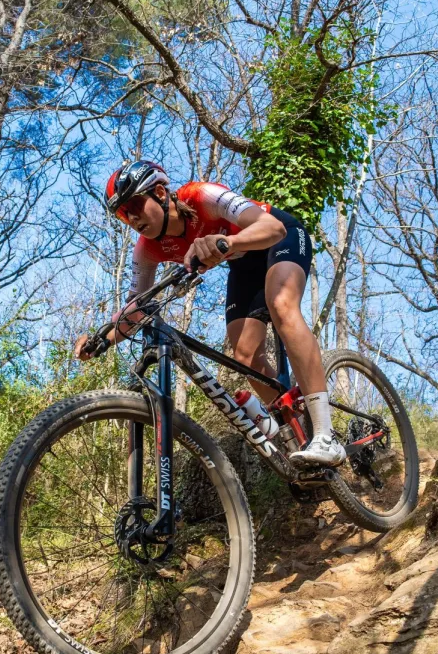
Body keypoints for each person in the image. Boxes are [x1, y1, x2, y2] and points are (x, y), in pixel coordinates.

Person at [74, 160, 345, 466]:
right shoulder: (146, 249)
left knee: (281, 305)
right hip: (243, 263)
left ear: (160, 193)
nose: (132, 218)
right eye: (124, 214)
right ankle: (295, 427)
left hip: (280, 239)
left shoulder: (202, 196)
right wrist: (102, 340)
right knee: (245, 356)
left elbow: (273, 228)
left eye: (134, 205)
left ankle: (326, 435)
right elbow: (135, 309)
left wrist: (227, 241)